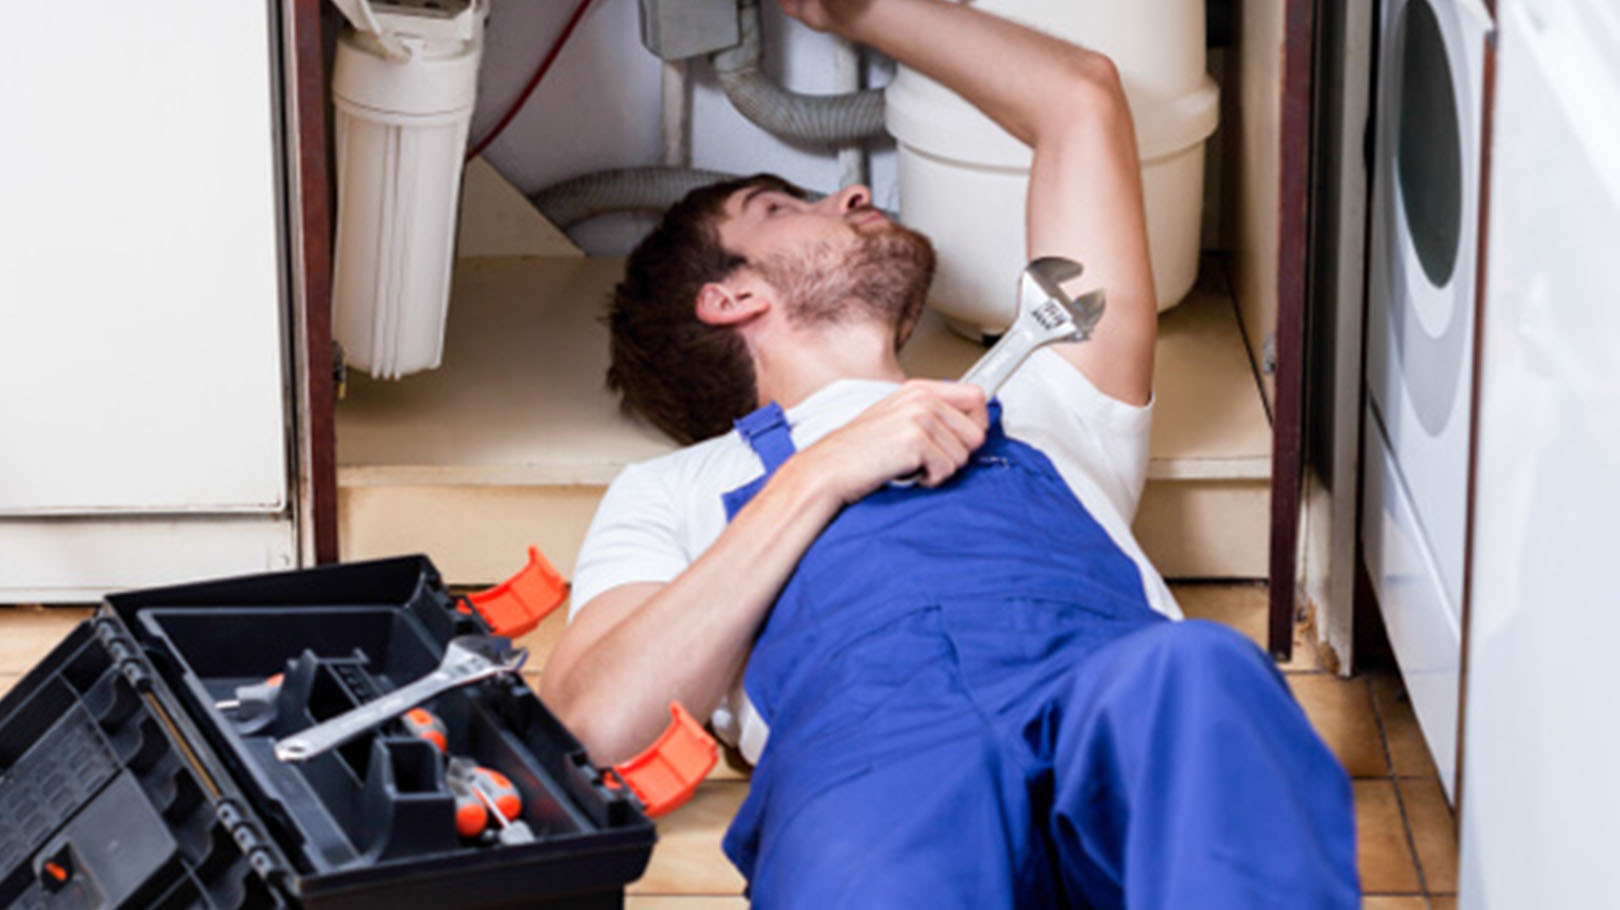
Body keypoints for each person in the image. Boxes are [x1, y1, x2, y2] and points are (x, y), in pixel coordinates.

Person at [539, 0, 1359, 905]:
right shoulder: (674, 490)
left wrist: (856, 11)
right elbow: (591, 727)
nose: (852, 194)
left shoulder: (1043, 386)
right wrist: (819, 475)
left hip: (1106, 701)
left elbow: (1078, 97)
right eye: (780, 207)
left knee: (1202, 671)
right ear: (730, 298)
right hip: (873, 770)